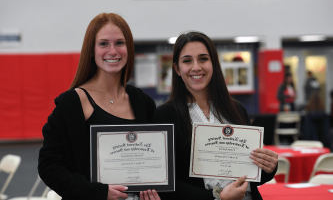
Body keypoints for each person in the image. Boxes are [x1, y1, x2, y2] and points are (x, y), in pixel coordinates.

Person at [38, 13, 156, 200]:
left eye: (119, 43)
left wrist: (153, 191)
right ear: (91, 50)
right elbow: (49, 166)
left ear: (129, 48)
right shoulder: (72, 103)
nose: (112, 51)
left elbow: (154, 161)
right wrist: (97, 192)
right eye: (103, 44)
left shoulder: (142, 102)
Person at [153, 31, 278, 200]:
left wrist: (268, 167)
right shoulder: (165, 115)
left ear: (214, 63)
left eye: (203, 58)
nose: (196, 67)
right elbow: (167, 183)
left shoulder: (236, 109)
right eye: (187, 60)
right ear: (176, 68)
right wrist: (217, 197)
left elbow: (252, 174)